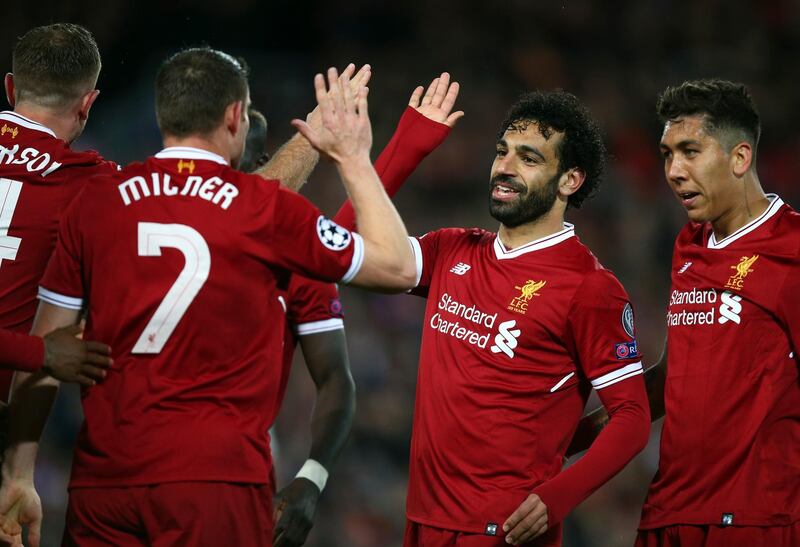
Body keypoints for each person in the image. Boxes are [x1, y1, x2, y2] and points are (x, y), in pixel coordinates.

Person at [0, 47, 416, 547]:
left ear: (162, 115)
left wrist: (18, 473)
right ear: (236, 116)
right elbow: (396, 266)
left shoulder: (99, 201)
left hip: (104, 481)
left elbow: (46, 350)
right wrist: (350, 156)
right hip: (215, 480)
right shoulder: (267, 210)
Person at [314, 89, 650, 547]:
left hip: (503, 533)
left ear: (570, 180)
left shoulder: (589, 288)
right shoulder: (451, 249)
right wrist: (407, 146)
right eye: (502, 152)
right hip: (423, 521)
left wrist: (556, 498)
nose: (505, 167)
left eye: (528, 158)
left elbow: (630, 417)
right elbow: (332, 249)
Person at [569, 79, 800, 546]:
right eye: (667, 154)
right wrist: (571, 437)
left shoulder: (792, 250)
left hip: (752, 519)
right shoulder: (689, 247)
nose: (674, 170)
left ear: (739, 157)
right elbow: (671, 379)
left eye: (690, 151)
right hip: (667, 514)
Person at [245, 75, 461, 547]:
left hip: (237, 473)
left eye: (256, 157)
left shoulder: (282, 248)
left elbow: (329, 258)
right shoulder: (144, 214)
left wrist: (313, 474)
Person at [0, 24, 116, 392]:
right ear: (87, 104)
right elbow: (217, 209)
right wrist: (39, 354)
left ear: (11, 88)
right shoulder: (90, 183)